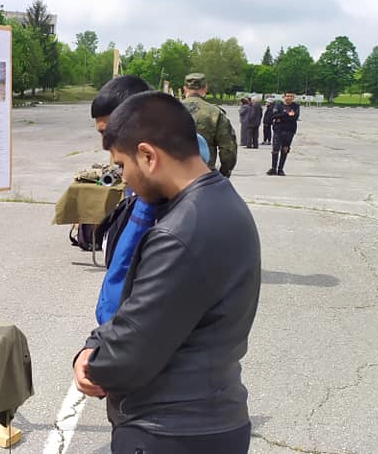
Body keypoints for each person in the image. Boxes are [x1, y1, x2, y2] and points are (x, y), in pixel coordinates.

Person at [73, 92, 261, 454]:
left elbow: (128, 354)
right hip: (210, 413)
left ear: (148, 155)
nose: (124, 179)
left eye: (122, 165)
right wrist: (98, 342)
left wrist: (90, 360)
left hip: (169, 431)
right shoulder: (220, 200)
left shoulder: (180, 233)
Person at [91, 77, 211, 325]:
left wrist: (108, 337)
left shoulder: (160, 193)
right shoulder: (154, 177)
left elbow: (128, 271)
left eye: (107, 133)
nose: (105, 146)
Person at [181, 72, 237, 177]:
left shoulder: (169, 109)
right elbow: (228, 149)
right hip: (203, 174)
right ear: (205, 88)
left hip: (172, 175)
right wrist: (225, 172)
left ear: (185, 88)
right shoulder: (215, 113)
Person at [267, 92, 301, 176]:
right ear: (284, 97)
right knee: (275, 149)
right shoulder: (278, 105)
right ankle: (273, 168)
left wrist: (281, 118)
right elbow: (274, 116)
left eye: (291, 96)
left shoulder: (296, 106)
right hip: (278, 130)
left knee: (285, 149)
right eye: (288, 96)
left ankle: (280, 169)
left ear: (293, 98)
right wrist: (286, 114)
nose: (289, 98)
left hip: (290, 130)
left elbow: (295, 117)